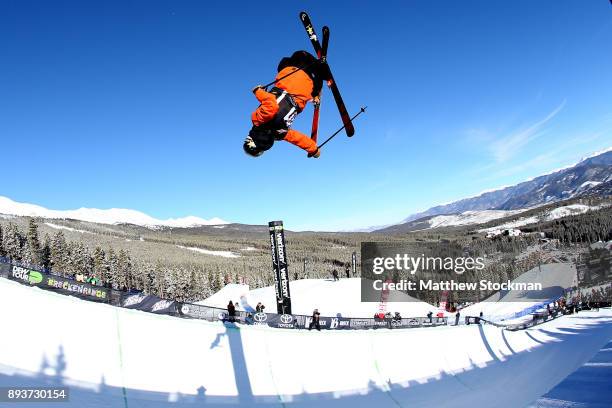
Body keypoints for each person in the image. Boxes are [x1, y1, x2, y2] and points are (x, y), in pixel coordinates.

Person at [245, 50, 331, 158]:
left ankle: (316, 93)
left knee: (314, 78)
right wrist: (258, 91)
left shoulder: (279, 133)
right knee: (297, 56)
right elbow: (271, 104)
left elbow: (296, 138)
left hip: (306, 88)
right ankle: (321, 74)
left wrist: (313, 149)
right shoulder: (258, 120)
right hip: (293, 77)